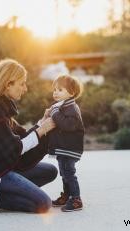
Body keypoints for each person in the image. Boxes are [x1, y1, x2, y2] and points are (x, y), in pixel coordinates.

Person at [0, 59, 57, 216]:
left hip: (1, 168)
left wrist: (42, 124)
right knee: (44, 204)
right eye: (22, 84)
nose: (25, 89)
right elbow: (15, 148)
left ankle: (7, 196)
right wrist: (41, 130)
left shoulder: (0, 108)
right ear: (8, 85)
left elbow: (21, 137)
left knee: (50, 171)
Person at [44, 75, 85, 212]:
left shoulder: (72, 108)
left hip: (70, 148)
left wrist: (54, 112)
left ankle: (76, 199)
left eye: (60, 90)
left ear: (71, 93)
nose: (55, 92)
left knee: (69, 173)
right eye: (54, 89)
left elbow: (67, 125)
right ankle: (67, 196)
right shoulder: (61, 107)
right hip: (63, 148)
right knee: (64, 173)